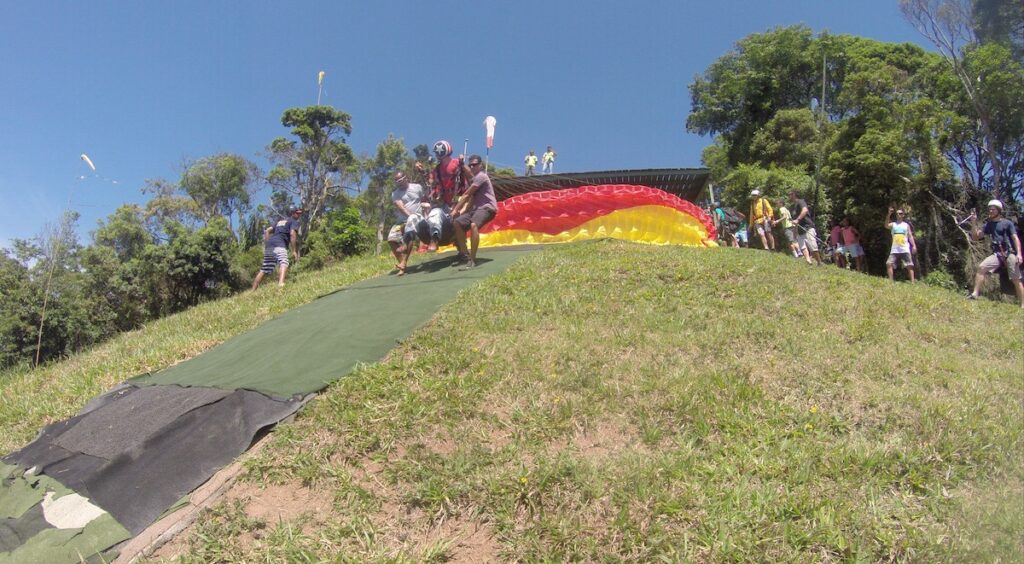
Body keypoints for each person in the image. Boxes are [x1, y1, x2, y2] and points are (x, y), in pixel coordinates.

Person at [967, 199, 1024, 307]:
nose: (991, 211)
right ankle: (975, 294)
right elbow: (975, 237)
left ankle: (1023, 304)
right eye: (990, 209)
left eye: (993, 209)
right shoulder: (989, 225)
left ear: (999, 211)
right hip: (997, 254)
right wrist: (973, 222)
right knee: (982, 267)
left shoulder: (1007, 223)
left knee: (1016, 278)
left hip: (1009, 253)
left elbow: (1015, 238)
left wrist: (1019, 254)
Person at [420, 139, 470, 253]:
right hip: (445, 204)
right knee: (434, 213)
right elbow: (431, 182)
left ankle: (462, 250)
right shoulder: (437, 169)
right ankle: (435, 238)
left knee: (458, 224)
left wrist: (463, 165)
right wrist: (422, 172)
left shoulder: (458, 163)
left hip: (460, 202)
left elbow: (469, 178)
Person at [451, 155, 497, 270]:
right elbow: (471, 201)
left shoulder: (481, 176)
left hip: (488, 208)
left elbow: (466, 195)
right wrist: (461, 213)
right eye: (470, 165)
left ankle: (472, 259)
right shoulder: (473, 181)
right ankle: (464, 253)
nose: (472, 167)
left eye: (474, 165)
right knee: (457, 223)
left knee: (473, 225)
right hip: (477, 210)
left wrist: (455, 210)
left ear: (480, 165)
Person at [386, 171, 426, 276]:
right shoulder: (395, 194)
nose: (399, 183)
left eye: (401, 180)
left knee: (410, 230)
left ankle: (403, 263)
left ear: (406, 177)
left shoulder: (417, 187)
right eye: (397, 181)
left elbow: (424, 199)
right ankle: (401, 262)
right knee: (391, 239)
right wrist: (409, 217)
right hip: (403, 220)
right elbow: (401, 207)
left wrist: (426, 212)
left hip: (417, 218)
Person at [252, 207, 301, 290]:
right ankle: (281, 284)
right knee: (284, 262)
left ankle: (252, 291)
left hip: (270, 245)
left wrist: (268, 244)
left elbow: (267, 231)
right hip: (279, 244)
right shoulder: (293, 221)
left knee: (265, 268)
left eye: (300, 213)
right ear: (293, 213)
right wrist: (294, 251)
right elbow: (292, 234)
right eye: (298, 213)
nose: (299, 215)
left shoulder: (280, 222)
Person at [885, 207, 916, 283]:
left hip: (904, 248)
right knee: (889, 263)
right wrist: (889, 214)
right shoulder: (893, 224)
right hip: (895, 249)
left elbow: (910, 236)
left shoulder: (906, 225)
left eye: (901, 213)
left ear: (903, 215)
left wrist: (914, 246)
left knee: (909, 265)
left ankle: (912, 282)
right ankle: (891, 281)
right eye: (897, 213)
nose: (899, 215)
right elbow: (886, 225)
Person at [789, 191, 820, 264]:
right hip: (799, 229)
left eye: (790, 194)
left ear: (794, 195)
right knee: (802, 247)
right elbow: (794, 220)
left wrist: (798, 219)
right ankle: (808, 261)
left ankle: (819, 262)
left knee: (813, 247)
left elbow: (805, 210)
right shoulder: (791, 207)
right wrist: (795, 231)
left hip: (807, 227)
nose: (789, 196)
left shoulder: (801, 202)